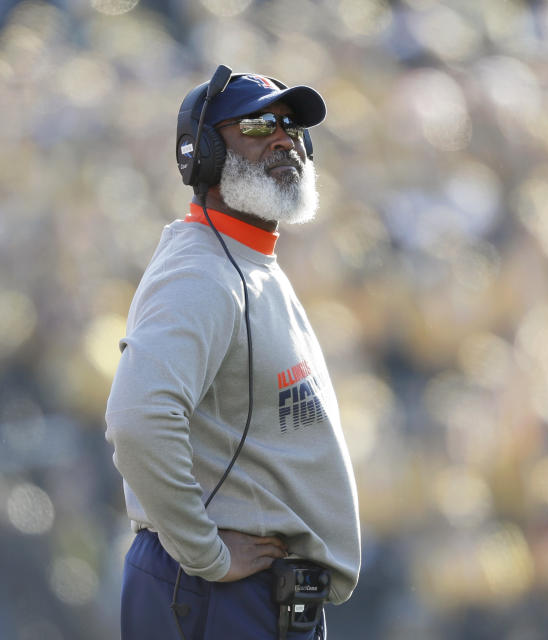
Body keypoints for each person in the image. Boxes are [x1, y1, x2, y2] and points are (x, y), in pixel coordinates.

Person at [105, 71, 360, 639]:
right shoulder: (200, 272)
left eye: (291, 126)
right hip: (213, 593)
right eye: (257, 123)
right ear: (206, 153)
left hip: (255, 597)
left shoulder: (248, 262)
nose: (283, 138)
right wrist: (208, 555)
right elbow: (138, 419)